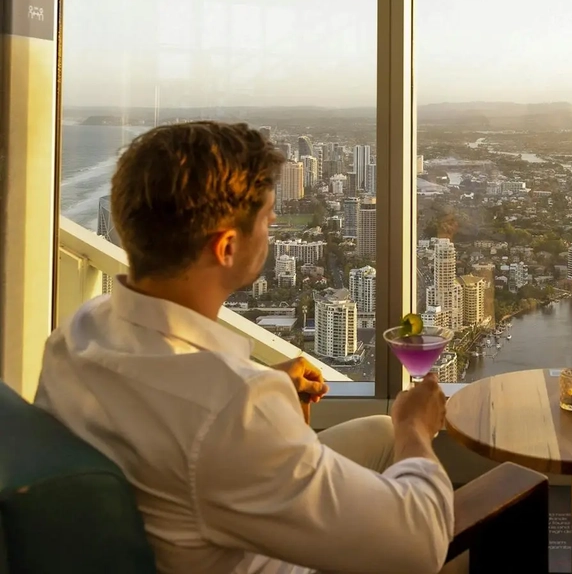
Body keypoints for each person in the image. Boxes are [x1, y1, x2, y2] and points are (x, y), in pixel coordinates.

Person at [35, 122, 452, 574]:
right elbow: (420, 546)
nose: (271, 230)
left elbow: (173, 415)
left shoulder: (80, 330)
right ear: (227, 247)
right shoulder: (231, 408)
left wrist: (266, 387)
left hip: (186, 516)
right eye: (268, 220)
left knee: (379, 434)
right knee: (401, 443)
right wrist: (413, 425)